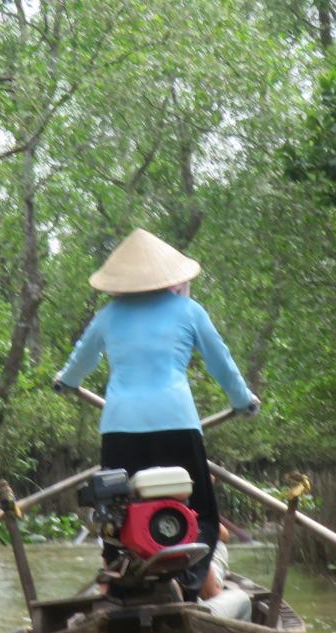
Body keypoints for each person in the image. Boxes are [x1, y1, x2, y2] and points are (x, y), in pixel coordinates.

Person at [52, 228, 257, 598]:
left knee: (117, 511)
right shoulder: (189, 310)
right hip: (177, 425)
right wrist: (243, 401)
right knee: (197, 512)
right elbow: (222, 364)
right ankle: (190, 582)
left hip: (120, 428)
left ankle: (121, 580)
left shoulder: (108, 316)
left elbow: (78, 364)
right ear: (171, 278)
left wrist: (66, 382)